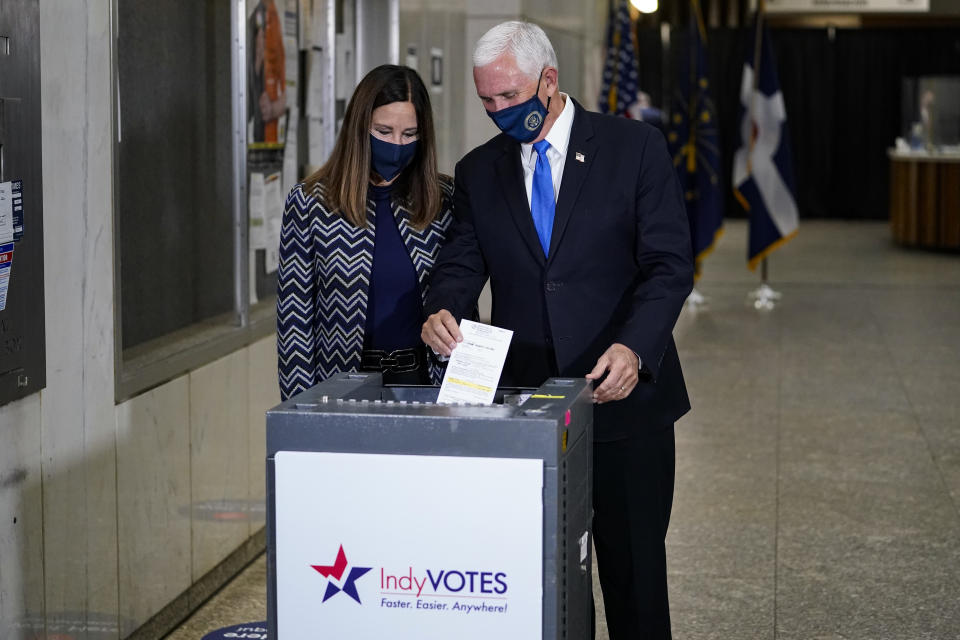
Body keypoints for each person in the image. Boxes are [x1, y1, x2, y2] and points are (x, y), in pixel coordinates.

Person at [420, 22, 693, 639]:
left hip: (628, 403)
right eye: (486, 100)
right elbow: (462, 265)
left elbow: (669, 266)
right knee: (544, 583)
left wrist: (634, 347)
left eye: (509, 98)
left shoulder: (634, 148)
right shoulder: (479, 171)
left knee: (635, 580)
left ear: (550, 80)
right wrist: (442, 307)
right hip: (530, 410)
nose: (497, 112)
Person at [278, 65, 455, 400]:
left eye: (409, 135)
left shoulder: (444, 200)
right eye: (384, 131)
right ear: (360, 128)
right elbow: (295, 324)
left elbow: (461, 300)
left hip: (426, 384)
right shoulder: (312, 203)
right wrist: (300, 412)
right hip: (343, 387)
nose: (397, 145)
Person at [249, 0, 285, 144]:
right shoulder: (254, 15)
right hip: (259, 136)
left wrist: (275, 109)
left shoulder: (280, 14)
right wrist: (257, 60)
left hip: (278, 134)